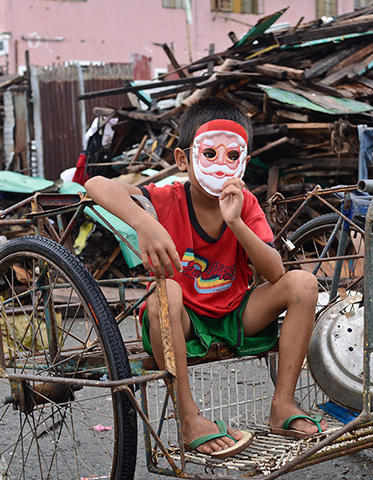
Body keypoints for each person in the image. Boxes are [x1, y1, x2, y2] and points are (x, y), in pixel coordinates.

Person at [85, 97, 323, 458]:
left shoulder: (245, 204)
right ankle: (188, 418)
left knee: (302, 284)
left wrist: (236, 221)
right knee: (166, 290)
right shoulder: (167, 198)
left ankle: (283, 404)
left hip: (235, 312)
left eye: (232, 157)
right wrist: (145, 223)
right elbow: (97, 184)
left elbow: (274, 272)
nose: (220, 165)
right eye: (209, 154)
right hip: (181, 318)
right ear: (184, 160)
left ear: (243, 162)